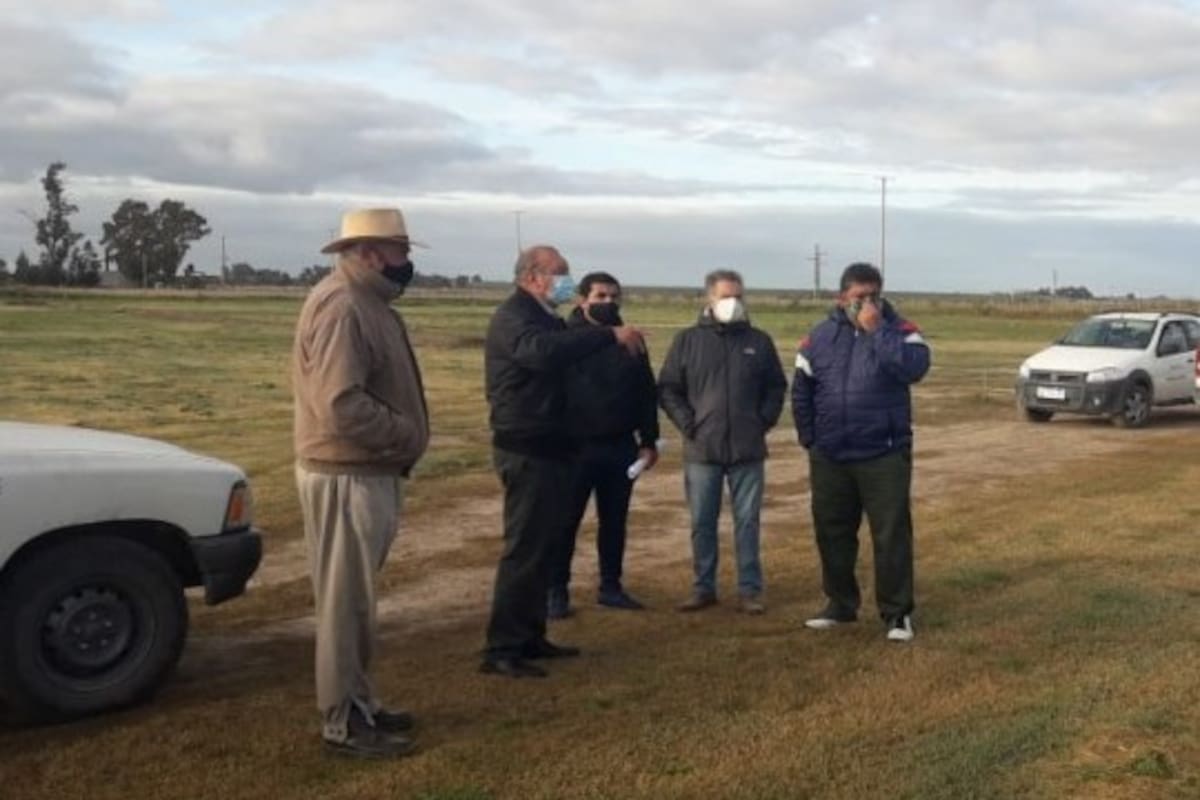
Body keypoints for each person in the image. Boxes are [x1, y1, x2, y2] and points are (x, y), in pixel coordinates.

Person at [292, 208, 430, 758]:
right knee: (344, 604)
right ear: (371, 253)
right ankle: (343, 721)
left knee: (356, 602)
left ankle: (361, 702)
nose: (407, 261)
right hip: (347, 474)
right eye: (400, 251)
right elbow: (340, 404)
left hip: (366, 470)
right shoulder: (344, 305)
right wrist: (404, 434)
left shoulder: (369, 302)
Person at [482, 246, 646, 678]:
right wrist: (608, 336)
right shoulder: (515, 316)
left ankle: (531, 635)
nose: (566, 280)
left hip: (554, 446)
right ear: (532, 277)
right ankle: (503, 646)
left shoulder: (545, 317)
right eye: (560, 272)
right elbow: (541, 353)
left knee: (543, 547)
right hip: (527, 447)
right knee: (524, 550)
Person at [791, 262, 931, 642]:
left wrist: (876, 330)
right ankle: (840, 604)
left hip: (883, 452)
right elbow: (802, 389)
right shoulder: (820, 336)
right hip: (830, 454)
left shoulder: (901, 331)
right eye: (859, 296)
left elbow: (913, 368)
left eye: (874, 296)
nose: (867, 302)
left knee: (890, 534)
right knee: (832, 531)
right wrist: (810, 438)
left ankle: (897, 614)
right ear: (842, 298)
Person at [658, 269, 786, 615]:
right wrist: (689, 424)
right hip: (702, 449)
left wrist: (762, 421)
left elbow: (776, 386)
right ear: (709, 299)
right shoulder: (687, 341)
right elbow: (668, 388)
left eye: (738, 296)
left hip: (747, 449)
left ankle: (750, 590)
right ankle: (703, 588)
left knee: (748, 522)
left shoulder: (759, 341)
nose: (734, 302)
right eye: (726, 296)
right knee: (702, 521)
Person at [547, 272, 659, 619]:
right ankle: (556, 591)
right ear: (583, 300)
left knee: (614, 521)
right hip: (573, 448)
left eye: (614, 296)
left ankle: (611, 587)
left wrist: (649, 440)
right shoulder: (563, 339)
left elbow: (646, 392)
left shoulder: (630, 340)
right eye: (600, 296)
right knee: (565, 522)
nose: (608, 302)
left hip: (620, 446)